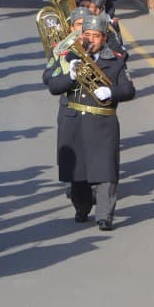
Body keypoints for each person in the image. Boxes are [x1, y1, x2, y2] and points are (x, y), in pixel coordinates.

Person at [41, 15, 135, 230]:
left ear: (104, 38)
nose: (91, 39)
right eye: (87, 35)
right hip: (73, 122)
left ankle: (105, 215)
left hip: (102, 121)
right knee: (77, 173)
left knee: (106, 170)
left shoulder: (116, 61)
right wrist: (70, 76)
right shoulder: (68, 57)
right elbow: (53, 86)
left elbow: (129, 90)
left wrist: (111, 91)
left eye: (96, 36)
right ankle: (81, 207)